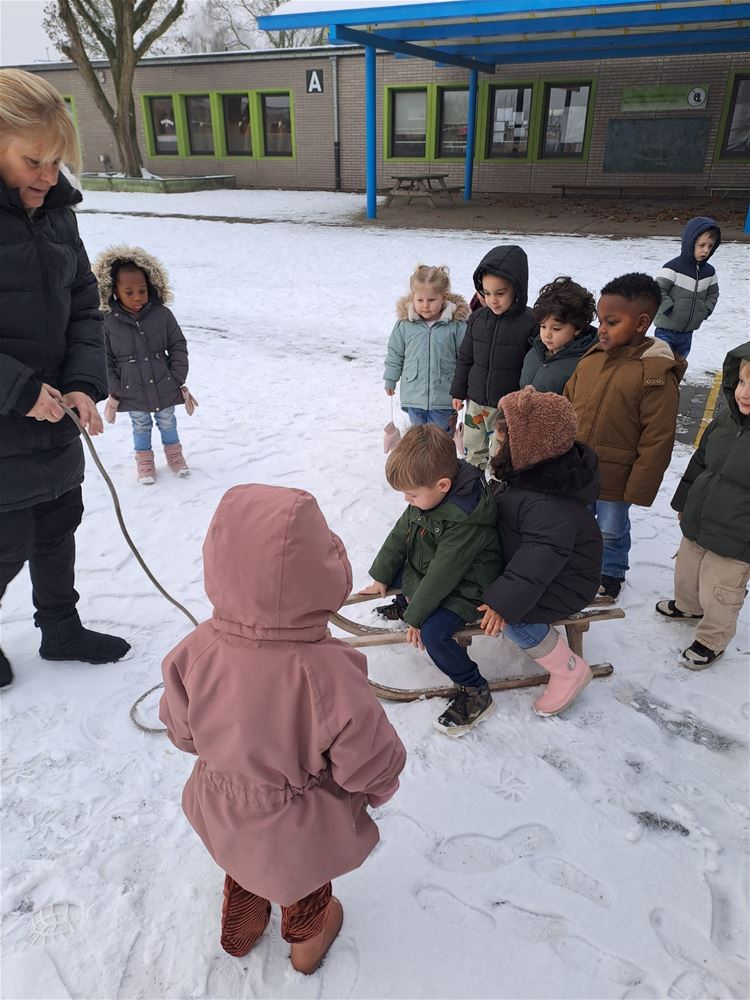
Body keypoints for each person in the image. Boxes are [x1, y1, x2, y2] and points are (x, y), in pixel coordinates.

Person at [159, 484, 406, 974]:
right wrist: (380, 786)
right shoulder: (327, 670)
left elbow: (181, 729)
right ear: (320, 571)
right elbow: (366, 754)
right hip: (298, 823)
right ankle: (308, 943)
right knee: (302, 882)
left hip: (222, 805)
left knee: (242, 864)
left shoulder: (197, 649)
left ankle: (239, 929)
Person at [0, 68, 130, 689]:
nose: (49, 176)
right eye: (34, 161)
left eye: (57, 162)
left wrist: (82, 381)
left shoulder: (55, 213)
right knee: (6, 541)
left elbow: (83, 302)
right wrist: (18, 392)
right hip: (7, 422)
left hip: (55, 415)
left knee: (58, 525)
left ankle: (61, 628)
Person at [360, 425, 503, 737]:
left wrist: (418, 618)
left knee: (434, 633)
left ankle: (475, 690)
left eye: (411, 495)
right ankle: (406, 601)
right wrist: (382, 575)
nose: (407, 500)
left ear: (443, 485)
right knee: (402, 569)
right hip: (436, 570)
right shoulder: (430, 495)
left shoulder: (466, 518)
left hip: (468, 587)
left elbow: (443, 574)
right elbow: (401, 533)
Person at [564, 273, 687, 603]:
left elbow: (657, 439)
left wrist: (638, 487)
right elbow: (567, 406)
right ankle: (578, 565)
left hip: (617, 477)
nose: (601, 329)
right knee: (576, 520)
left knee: (611, 529)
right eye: (601, 320)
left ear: (641, 323)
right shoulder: (591, 360)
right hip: (579, 469)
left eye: (612, 322)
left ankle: (612, 572)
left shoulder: (655, 375)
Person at [480, 387, 602, 716]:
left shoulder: (549, 503)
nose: (495, 448)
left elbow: (540, 556)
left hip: (566, 581)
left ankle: (568, 670)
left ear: (527, 448)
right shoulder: (531, 475)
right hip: (544, 571)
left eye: (501, 442)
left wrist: (504, 603)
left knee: (514, 618)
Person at [656, 343, 750, 668]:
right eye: (742, 382)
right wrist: (684, 499)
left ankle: (712, 639)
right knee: (688, 570)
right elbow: (700, 461)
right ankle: (688, 606)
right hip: (700, 515)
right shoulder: (726, 419)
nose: (745, 393)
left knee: (721, 591)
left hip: (738, 535)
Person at [92, 245, 194, 484]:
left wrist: (176, 376)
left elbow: (177, 344)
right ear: (114, 291)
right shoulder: (108, 322)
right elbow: (104, 358)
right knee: (140, 424)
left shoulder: (162, 315)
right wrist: (116, 387)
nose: (137, 297)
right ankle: (145, 461)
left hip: (163, 382)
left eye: (142, 290)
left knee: (167, 420)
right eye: (129, 292)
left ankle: (175, 455)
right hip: (131, 387)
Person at [450, 245, 537, 470]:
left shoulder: (530, 322)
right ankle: (474, 482)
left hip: (505, 406)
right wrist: (458, 391)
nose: (493, 300)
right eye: (486, 293)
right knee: (472, 448)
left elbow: (532, 366)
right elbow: (465, 357)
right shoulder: (478, 319)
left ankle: (498, 485)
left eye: (500, 293)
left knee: (500, 452)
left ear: (517, 289)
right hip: (476, 402)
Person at [383, 264, 469, 434]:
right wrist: (390, 378)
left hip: (444, 396)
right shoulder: (405, 325)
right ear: (413, 297)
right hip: (414, 394)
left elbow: (465, 358)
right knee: (418, 436)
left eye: (431, 300)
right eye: (420, 300)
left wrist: (462, 388)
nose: (425, 305)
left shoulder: (455, 325)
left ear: (444, 297)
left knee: (439, 436)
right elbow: (395, 353)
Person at [653, 216, 720, 359]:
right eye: (702, 245)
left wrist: (705, 310)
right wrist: (668, 308)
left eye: (710, 246)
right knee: (662, 362)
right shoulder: (673, 268)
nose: (706, 250)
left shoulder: (709, 273)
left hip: (687, 333)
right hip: (666, 329)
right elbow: (656, 289)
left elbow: (713, 294)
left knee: (679, 364)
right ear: (690, 243)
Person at [520, 276, 598, 394]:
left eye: (556, 329)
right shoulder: (535, 351)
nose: (547, 334)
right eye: (543, 326)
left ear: (577, 327)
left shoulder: (584, 364)